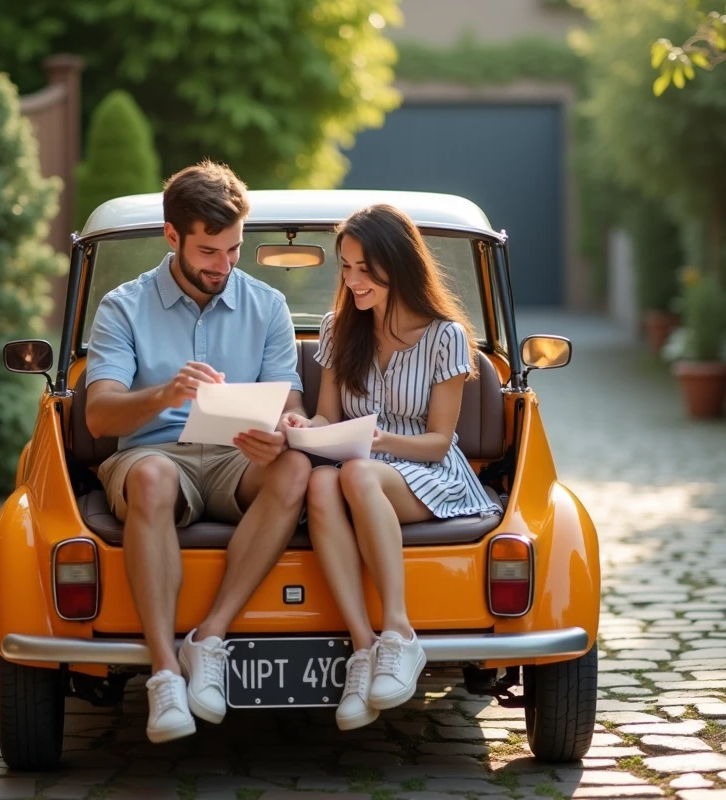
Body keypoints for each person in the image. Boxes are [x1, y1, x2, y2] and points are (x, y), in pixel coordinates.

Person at [84, 160, 312, 743]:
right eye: (210, 251)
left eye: (233, 249)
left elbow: (294, 405)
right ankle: (164, 673)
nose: (224, 265)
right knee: (155, 480)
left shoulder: (267, 306)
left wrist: (286, 430)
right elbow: (100, 414)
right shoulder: (122, 306)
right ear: (172, 236)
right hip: (153, 457)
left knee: (295, 467)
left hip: (239, 456)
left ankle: (208, 638)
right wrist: (166, 392)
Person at [282, 204, 502, 731]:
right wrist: (305, 426)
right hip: (359, 463)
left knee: (352, 475)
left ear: (398, 265)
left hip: (430, 471)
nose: (353, 281)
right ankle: (364, 649)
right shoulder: (340, 327)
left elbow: (437, 442)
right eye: (346, 267)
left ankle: (400, 634)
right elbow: (327, 416)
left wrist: (379, 439)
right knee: (320, 479)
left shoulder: (445, 335)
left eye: (365, 269)